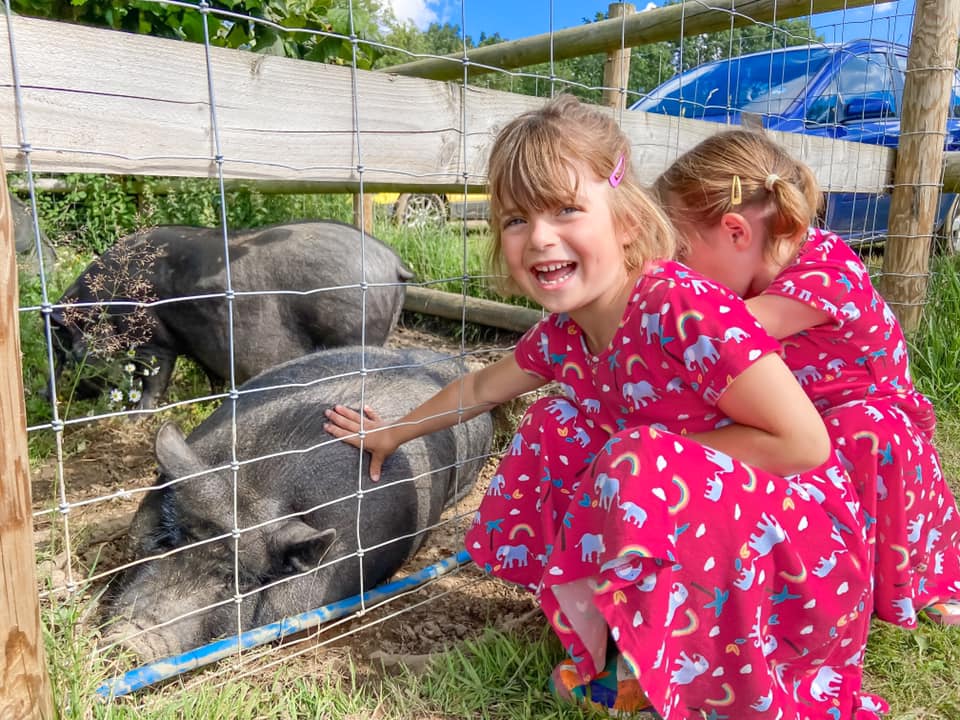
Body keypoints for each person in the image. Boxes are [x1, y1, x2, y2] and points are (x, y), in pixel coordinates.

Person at [325, 96, 879, 719]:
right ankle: (600, 637)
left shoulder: (682, 309)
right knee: (555, 425)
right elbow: (482, 388)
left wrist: (648, 459)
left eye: (567, 209)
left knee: (628, 456)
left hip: (795, 556)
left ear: (625, 220)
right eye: (515, 220)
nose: (539, 237)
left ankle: (642, 669)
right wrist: (394, 432)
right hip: (697, 516)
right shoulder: (565, 334)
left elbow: (805, 445)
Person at [653, 128, 960, 630]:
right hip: (815, 424)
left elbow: (724, 333)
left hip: (877, 431)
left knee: (861, 433)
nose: (678, 272)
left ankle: (921, 581)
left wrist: (644, 316)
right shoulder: (769, 270)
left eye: (681, 254)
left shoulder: (821, 270)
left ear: (735, 232)